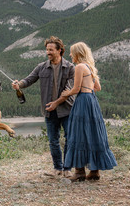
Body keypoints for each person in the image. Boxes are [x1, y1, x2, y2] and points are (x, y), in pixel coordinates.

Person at [11, 36, 75, 178]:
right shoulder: (41, 67)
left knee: (70, 139)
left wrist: (56, 103)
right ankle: (58, 168)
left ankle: (68, 168)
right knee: (53, 140)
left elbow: (69, 91)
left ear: (60, 51)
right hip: (49, 111)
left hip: (67, 109)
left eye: (51, 50)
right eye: (47, 50)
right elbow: (29, 80)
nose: (48, 52)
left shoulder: (70, 68)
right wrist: (18, 84)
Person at [61, 42, 117, 182]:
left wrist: (66, 94)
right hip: (92, 100)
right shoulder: (89, 67)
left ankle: (79, 172)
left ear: (78, 54)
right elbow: (97, 87)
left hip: (83, 102)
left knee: (79, 132)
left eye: (72, 52)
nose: (70, 55)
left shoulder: (79, 67)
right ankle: (94, 172)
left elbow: (76, 89)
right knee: (92, 133)